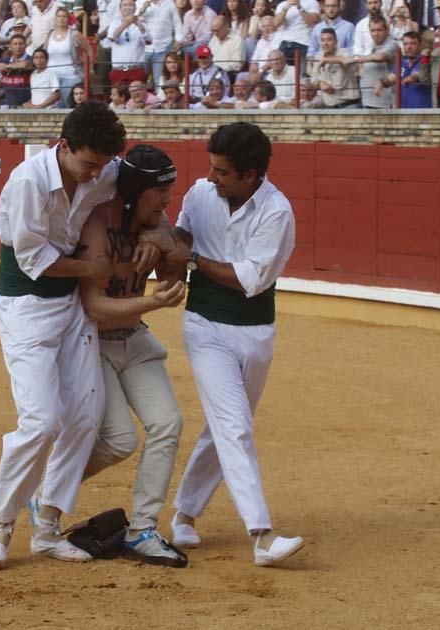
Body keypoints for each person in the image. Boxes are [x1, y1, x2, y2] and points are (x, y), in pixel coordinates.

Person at [0, 101, 128, 570]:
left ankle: (46, 528)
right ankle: (0, 526)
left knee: (84, 415)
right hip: (27, 308)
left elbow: (142, 184)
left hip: (72, 308)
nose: (94, 175)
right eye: (87, 164)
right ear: (62, 147)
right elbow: (33, 260)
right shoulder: (27, 182)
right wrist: (91, 268)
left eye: (101, 166)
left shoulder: (103, 169)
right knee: (41, 421)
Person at [169, 122, 302, 568]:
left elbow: (249, 280)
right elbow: (182, 233)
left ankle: (185, 512)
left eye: (222, 172)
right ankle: (262, 535)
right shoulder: (200, 194)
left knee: (226, 426)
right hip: (203, 323)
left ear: (251, 175)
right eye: (212, 169)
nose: (212, 178)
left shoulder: (276, 212)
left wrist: (187, 258)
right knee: (235, 426)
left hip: (255, 331)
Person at [72, 144, 190, 568]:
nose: (167, 200)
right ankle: (47, 488)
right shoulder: (98, 223)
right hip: (95, 344)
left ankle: (142, 530)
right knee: (120, 440)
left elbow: (174, 276)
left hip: (135, 340)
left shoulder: (158, 223)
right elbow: (96, 308)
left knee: (167, 423)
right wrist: (154, 304)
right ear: (135, 192)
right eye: (160, 193)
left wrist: (167, 244)